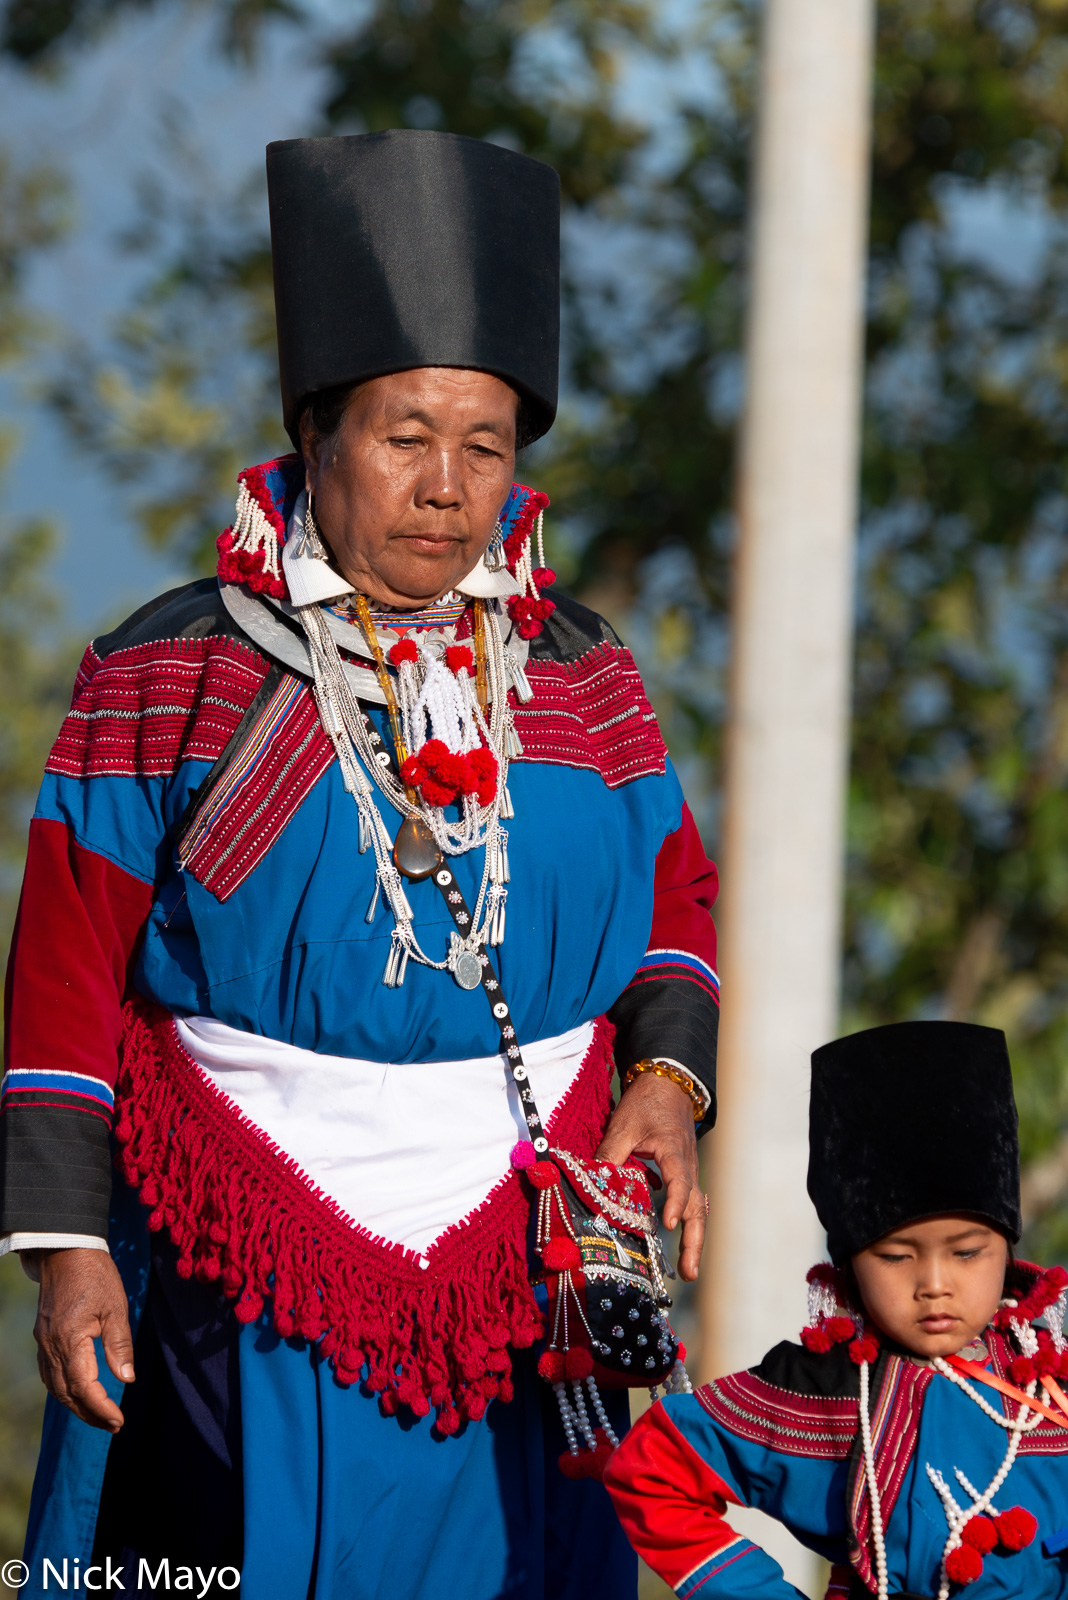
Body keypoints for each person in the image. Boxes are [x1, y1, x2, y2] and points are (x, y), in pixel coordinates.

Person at [0, 130, 721, 1599]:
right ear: (317, 428)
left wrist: (666, 1086)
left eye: (486, 445)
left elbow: (676, 911)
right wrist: (64, 1251)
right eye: (405, 437)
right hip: (241, 1269)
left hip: (527, 1279)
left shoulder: (584, 677)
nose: (447, 488)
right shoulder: (172, 669)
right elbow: (68, 968)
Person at [604, 1020, 1068, 1600]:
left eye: (968, 1253)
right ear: (849, 1263)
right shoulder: (829, 1391)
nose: (934, 1283)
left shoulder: (1049, 1381)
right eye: (897, 1256)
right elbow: (651, 1469)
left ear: (1008, 1251)